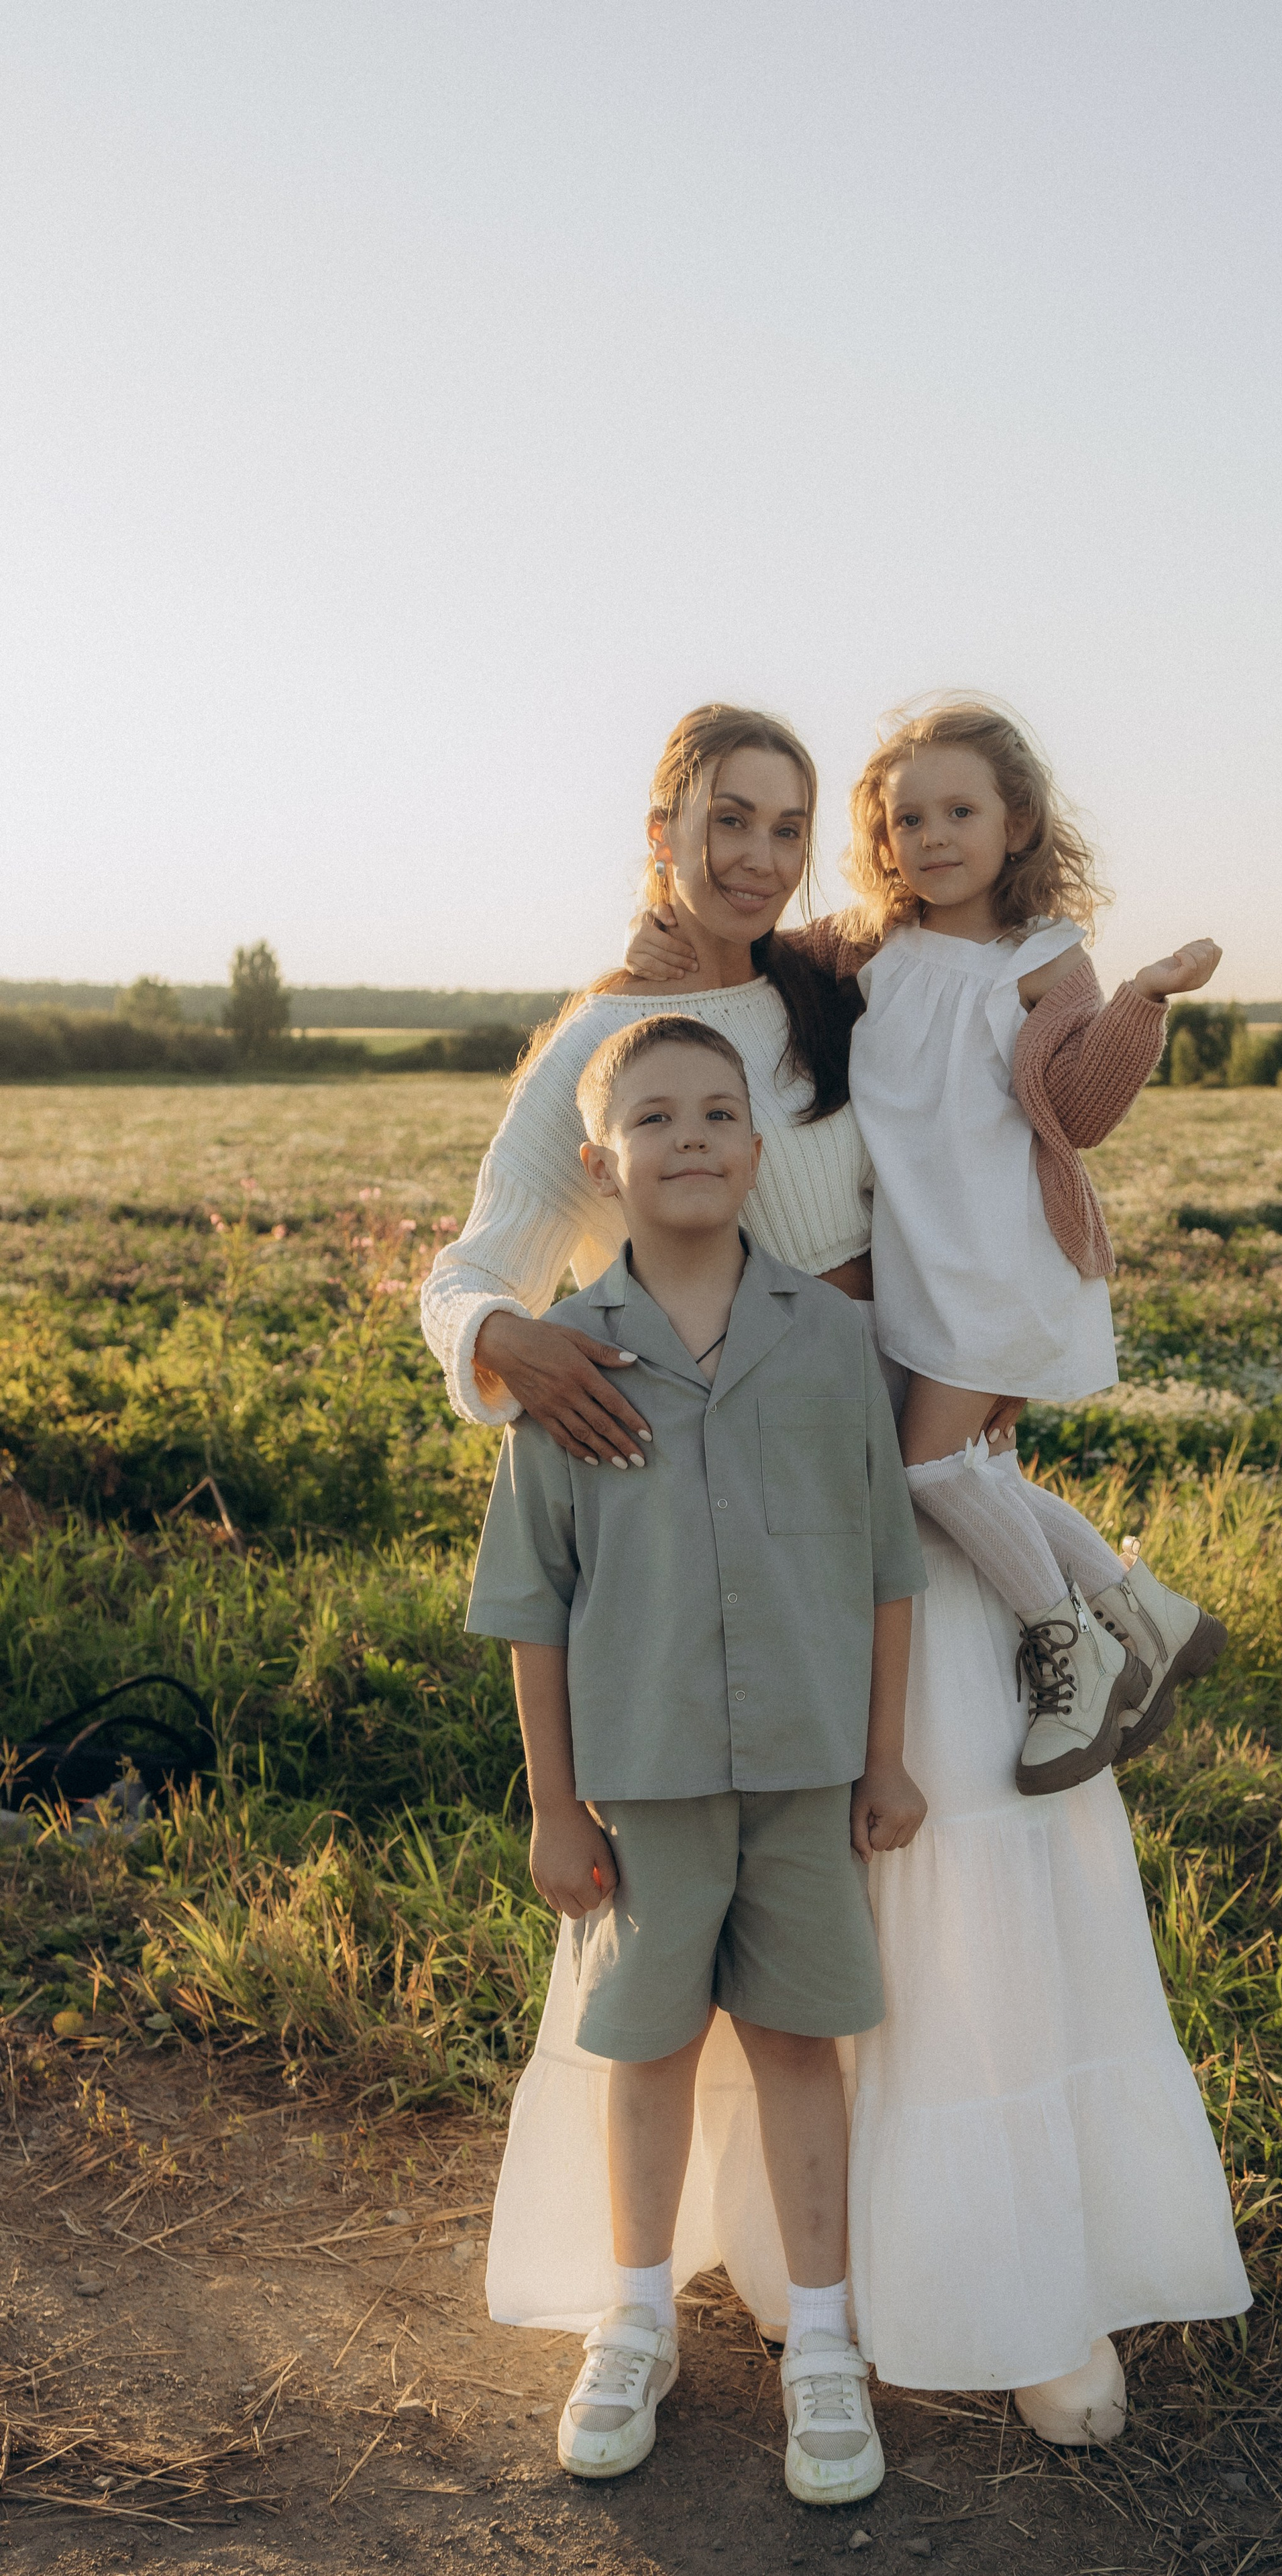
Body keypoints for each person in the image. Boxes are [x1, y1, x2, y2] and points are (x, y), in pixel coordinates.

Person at [423, 700, 1250, 2452]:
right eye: (727, 819)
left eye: (786, 826)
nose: (756, 853)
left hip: (911, 1482)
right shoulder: (606, 1033)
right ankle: (764, 2277)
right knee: (764, 1885)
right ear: (662, 828)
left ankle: (1020, 2288)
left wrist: (1027, 1278)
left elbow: (979, 1122)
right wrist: (504, 1333)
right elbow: (479, 1258)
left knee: (961, 1854)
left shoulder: (833, 987)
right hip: (741, 1523)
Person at [465, 1012, 926, 2500]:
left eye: (719, 1114)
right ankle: (637, 2317)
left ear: (755, 1147)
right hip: (643, 1783)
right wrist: (551, 1804)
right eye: (655, 1119)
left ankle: (828, 2342)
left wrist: (881, 1761)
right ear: (602, 1163)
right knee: (648, 2048)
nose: (691, 1139)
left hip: (802, 1775)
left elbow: (883, 1567)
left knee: (800, 2044)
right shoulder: (564, 1365)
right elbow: (532, 1602)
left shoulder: (830, 1340)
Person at [635, 698, 1230, 1794]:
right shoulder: (873, 945)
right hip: (926, 1259)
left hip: (1001, 1254)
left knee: (920, 1468)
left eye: (962, 811)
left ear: (1019, 825)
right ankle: (1143, 1608)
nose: (935, 837)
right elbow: (755, 958)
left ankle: (1075, 1644)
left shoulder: (1047, 962)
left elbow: (1086, 1104)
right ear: (880, 838)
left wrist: (1142, 1002)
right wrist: (659, 946)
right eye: (909, 820)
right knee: (954, 1468)